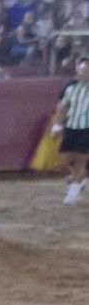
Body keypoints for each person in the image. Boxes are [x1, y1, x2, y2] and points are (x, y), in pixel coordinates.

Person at [52, 57, 89, 204]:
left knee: (80, 161)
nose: (83, 74)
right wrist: (57, 126)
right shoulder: (71, 87)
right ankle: (78, 181)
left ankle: (72, 193)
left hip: (86, 128)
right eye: (82, 71)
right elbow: (63, 107)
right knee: (68, 162)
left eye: (86, 72)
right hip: (71, 127)